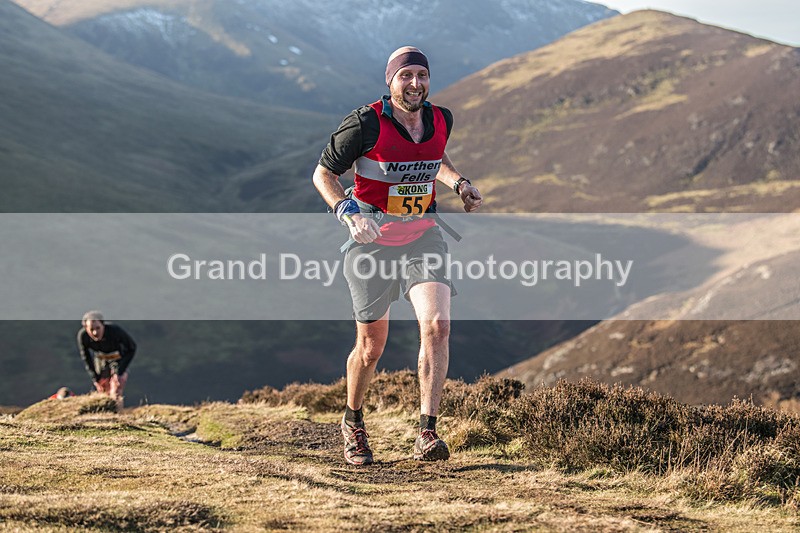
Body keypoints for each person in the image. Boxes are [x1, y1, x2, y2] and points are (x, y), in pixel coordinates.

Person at [312, 46, 482, 465]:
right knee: (371, 347)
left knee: (438, 326)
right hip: (370, 242)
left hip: (423, 237)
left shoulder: (441, 118)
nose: (415, 83)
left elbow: (433, 156)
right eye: (405, 76)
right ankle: (353, 421)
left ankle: (427, 431)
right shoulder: (365, 122)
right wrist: (349, 213)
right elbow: (323, 174)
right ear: (390, 82)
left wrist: (459, 183)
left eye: (422, 75)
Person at [77, 310, 136, 405]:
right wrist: (95, 378)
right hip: (101, 360)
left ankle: (118, 413)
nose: (95, 332)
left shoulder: (115, 331)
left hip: (118, 359)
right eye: (91, 329)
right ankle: (106, 412)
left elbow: (132, 348)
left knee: (116, 387)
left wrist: (120, 371)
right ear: (86, 328)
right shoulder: (83, 336)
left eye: (98, 328)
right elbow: (86, 358)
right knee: (103, 389)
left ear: (103, 325)